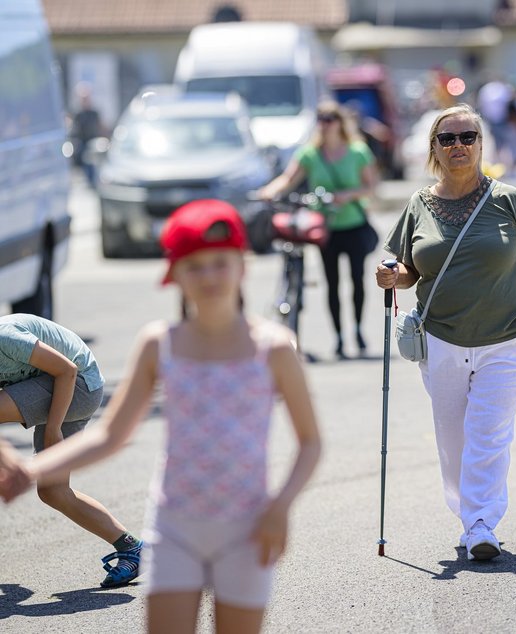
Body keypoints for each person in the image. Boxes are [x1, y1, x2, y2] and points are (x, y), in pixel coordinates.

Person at [1, 200, 322, 634]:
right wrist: (31, 470)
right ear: (174, 274)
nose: (208, 276)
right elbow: (112, 434)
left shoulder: (276, 346)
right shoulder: (158, 344)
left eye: (219, 263)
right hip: (175, 527)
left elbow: (310, 442)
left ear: (241, 265)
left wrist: (281, 507)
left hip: (247, 525)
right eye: (194, 266)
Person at [375, 103, 516, 561]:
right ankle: (469, 514)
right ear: (434, 147)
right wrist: (393, 276)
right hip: (442, 340)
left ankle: (481, 523)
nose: (459, 145)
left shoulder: (509, 200)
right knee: (452, 438)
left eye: (468, 136)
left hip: (508, 337)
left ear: (481, 143)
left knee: (488, 432)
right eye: (448, 138)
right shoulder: (419, 205)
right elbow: (410, 269)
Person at [0, 313, 143, 587]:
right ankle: (132, 548)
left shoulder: (6, 339)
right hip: (58, 387)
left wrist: (54, 428)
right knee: (53, 492)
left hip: (79, 385)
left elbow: (67, 370)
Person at [259, 100, 380, 359]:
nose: (325, 124)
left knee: (357, 280)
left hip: (354, 224)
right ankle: (338, 337)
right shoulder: (310, 154)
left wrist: (346, 196)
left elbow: (370, 187)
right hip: (325, 228)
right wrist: (268, 192)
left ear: (340, 122)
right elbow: (289, 179)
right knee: (332, 283)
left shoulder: (357, 151)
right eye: (321, 119)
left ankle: (357, 330)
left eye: (330, 119)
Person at [70, 82, 106, 186]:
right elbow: (74, 131)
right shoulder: (78, 114)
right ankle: (90, 180)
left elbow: (101, 127)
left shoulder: (94, 113)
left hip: (94, 141)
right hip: (82, 142)